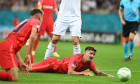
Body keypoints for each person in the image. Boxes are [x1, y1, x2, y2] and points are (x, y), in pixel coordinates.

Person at [0, 8, 43, 81]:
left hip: (5, 45)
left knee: (10, 76)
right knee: (14, 78)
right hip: (8, 47)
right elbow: (32, 36)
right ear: (38, 16)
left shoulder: (25, 21)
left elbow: (14, 44)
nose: (42, 19)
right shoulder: (36, 21)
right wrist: (29, 54)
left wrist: (20, 62)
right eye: (42, 17)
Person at [29, 46, 114, 77]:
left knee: (31, 66)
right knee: (29, 69)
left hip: (54, 70)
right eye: (91, 53)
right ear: (85, 53)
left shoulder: (90, 63)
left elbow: (98, 73)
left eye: (93, 54)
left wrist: (108, 75)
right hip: (51, 64)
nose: (92, 56)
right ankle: (17, 64)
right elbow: (70, 72)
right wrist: (84, 73)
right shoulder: (76, 58)